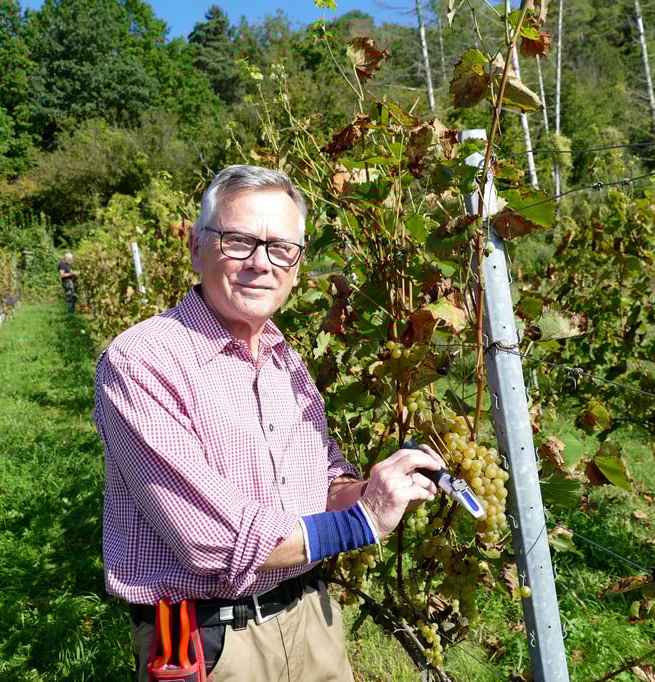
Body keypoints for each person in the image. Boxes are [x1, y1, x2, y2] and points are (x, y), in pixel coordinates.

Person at [93, 165, 447, 681]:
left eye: (281, 248)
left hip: (312, 620)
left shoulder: (286, 360)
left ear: (297, 268)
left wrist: (378, 489)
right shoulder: (142, 361)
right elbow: (211, 539)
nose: (261, 263)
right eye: (238, 241)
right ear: (196, 248)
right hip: (212, 644)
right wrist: (363, 521)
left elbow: (325, 485)